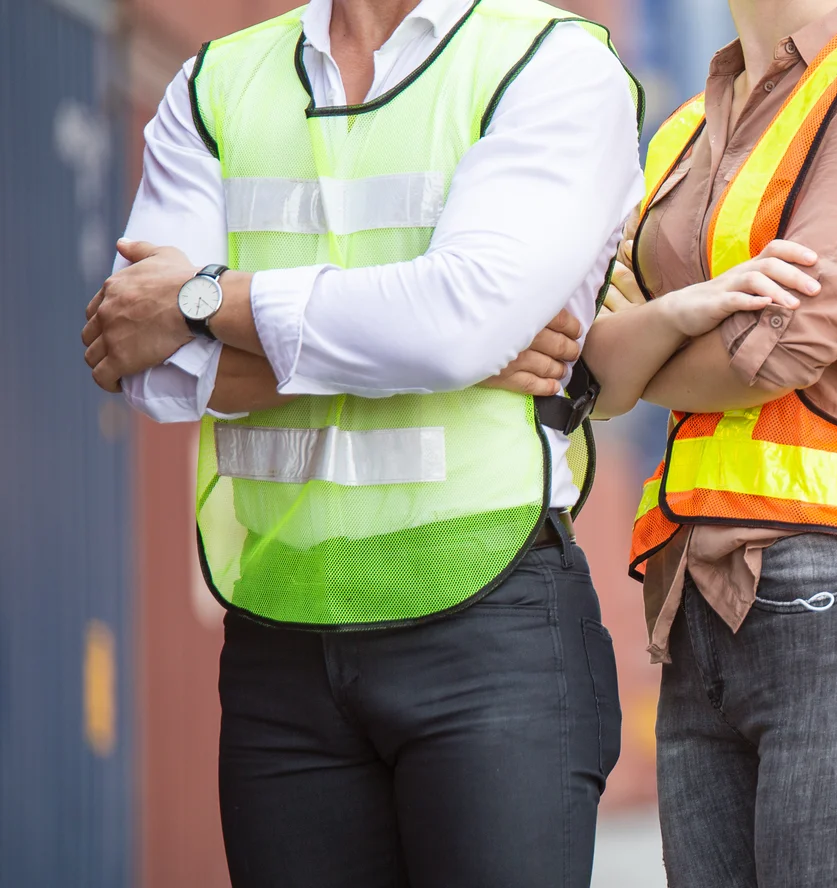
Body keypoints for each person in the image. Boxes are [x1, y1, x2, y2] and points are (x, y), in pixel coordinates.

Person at [78, 0, 639, 883]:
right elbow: (141, 363)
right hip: (279, 639)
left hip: (487, 630)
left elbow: (459, 321)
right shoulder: (216, 83)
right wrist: (432, 348)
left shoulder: (547, 63)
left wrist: (203, 302)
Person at [585, 0, 837, 884]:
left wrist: (643, 339)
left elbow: (781, 348)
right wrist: (687, 314)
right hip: (697, 605)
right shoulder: (686, 127)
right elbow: (590, 380)